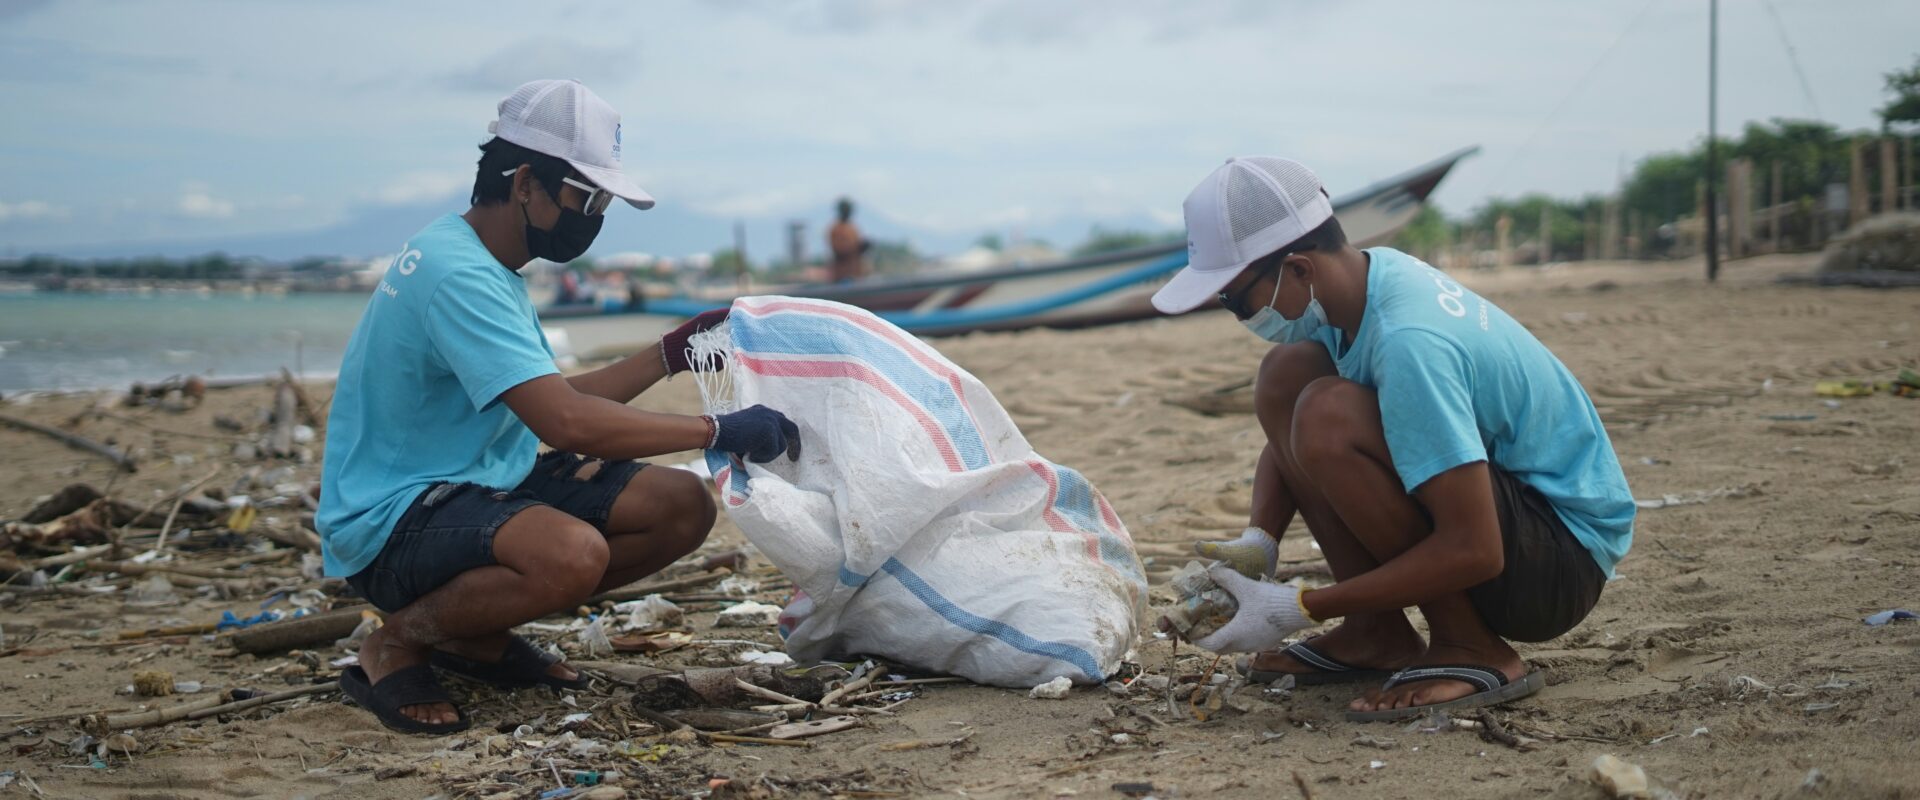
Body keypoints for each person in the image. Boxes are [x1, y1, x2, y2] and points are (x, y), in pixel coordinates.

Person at [318, 79, 801, 734]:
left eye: (603, 201)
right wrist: (716, 429)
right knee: (569, 554)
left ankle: (471, 634)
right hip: (393, 520)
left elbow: (556, 398)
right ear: (524, 183)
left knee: (680, 506)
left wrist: (670, 354)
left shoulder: (481, 259)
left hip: (477, 481)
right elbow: (567, 424)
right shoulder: (457, 273)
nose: (594, 216)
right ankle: (397, 643)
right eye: (586, 196)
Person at [1150, 157, 1634, 722]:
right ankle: (1374, 632)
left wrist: (1300, 606)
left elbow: (1476, 548)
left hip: (1558, 563)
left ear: (1299, 270)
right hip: (1517, 526)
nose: (1237, 315)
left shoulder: (1410, 341)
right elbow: (1290, 439)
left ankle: (1473, 647)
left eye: (1235, 300)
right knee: (1288, 374)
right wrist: (1261, 540)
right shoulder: (1364, 284)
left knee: (1328, 414)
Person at [826, 196, 869, 282]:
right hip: (842, 275)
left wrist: (863, 247)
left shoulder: (852, 228)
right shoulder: (836, 229)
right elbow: (839, 250)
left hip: (855, 273)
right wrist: (857, 247)